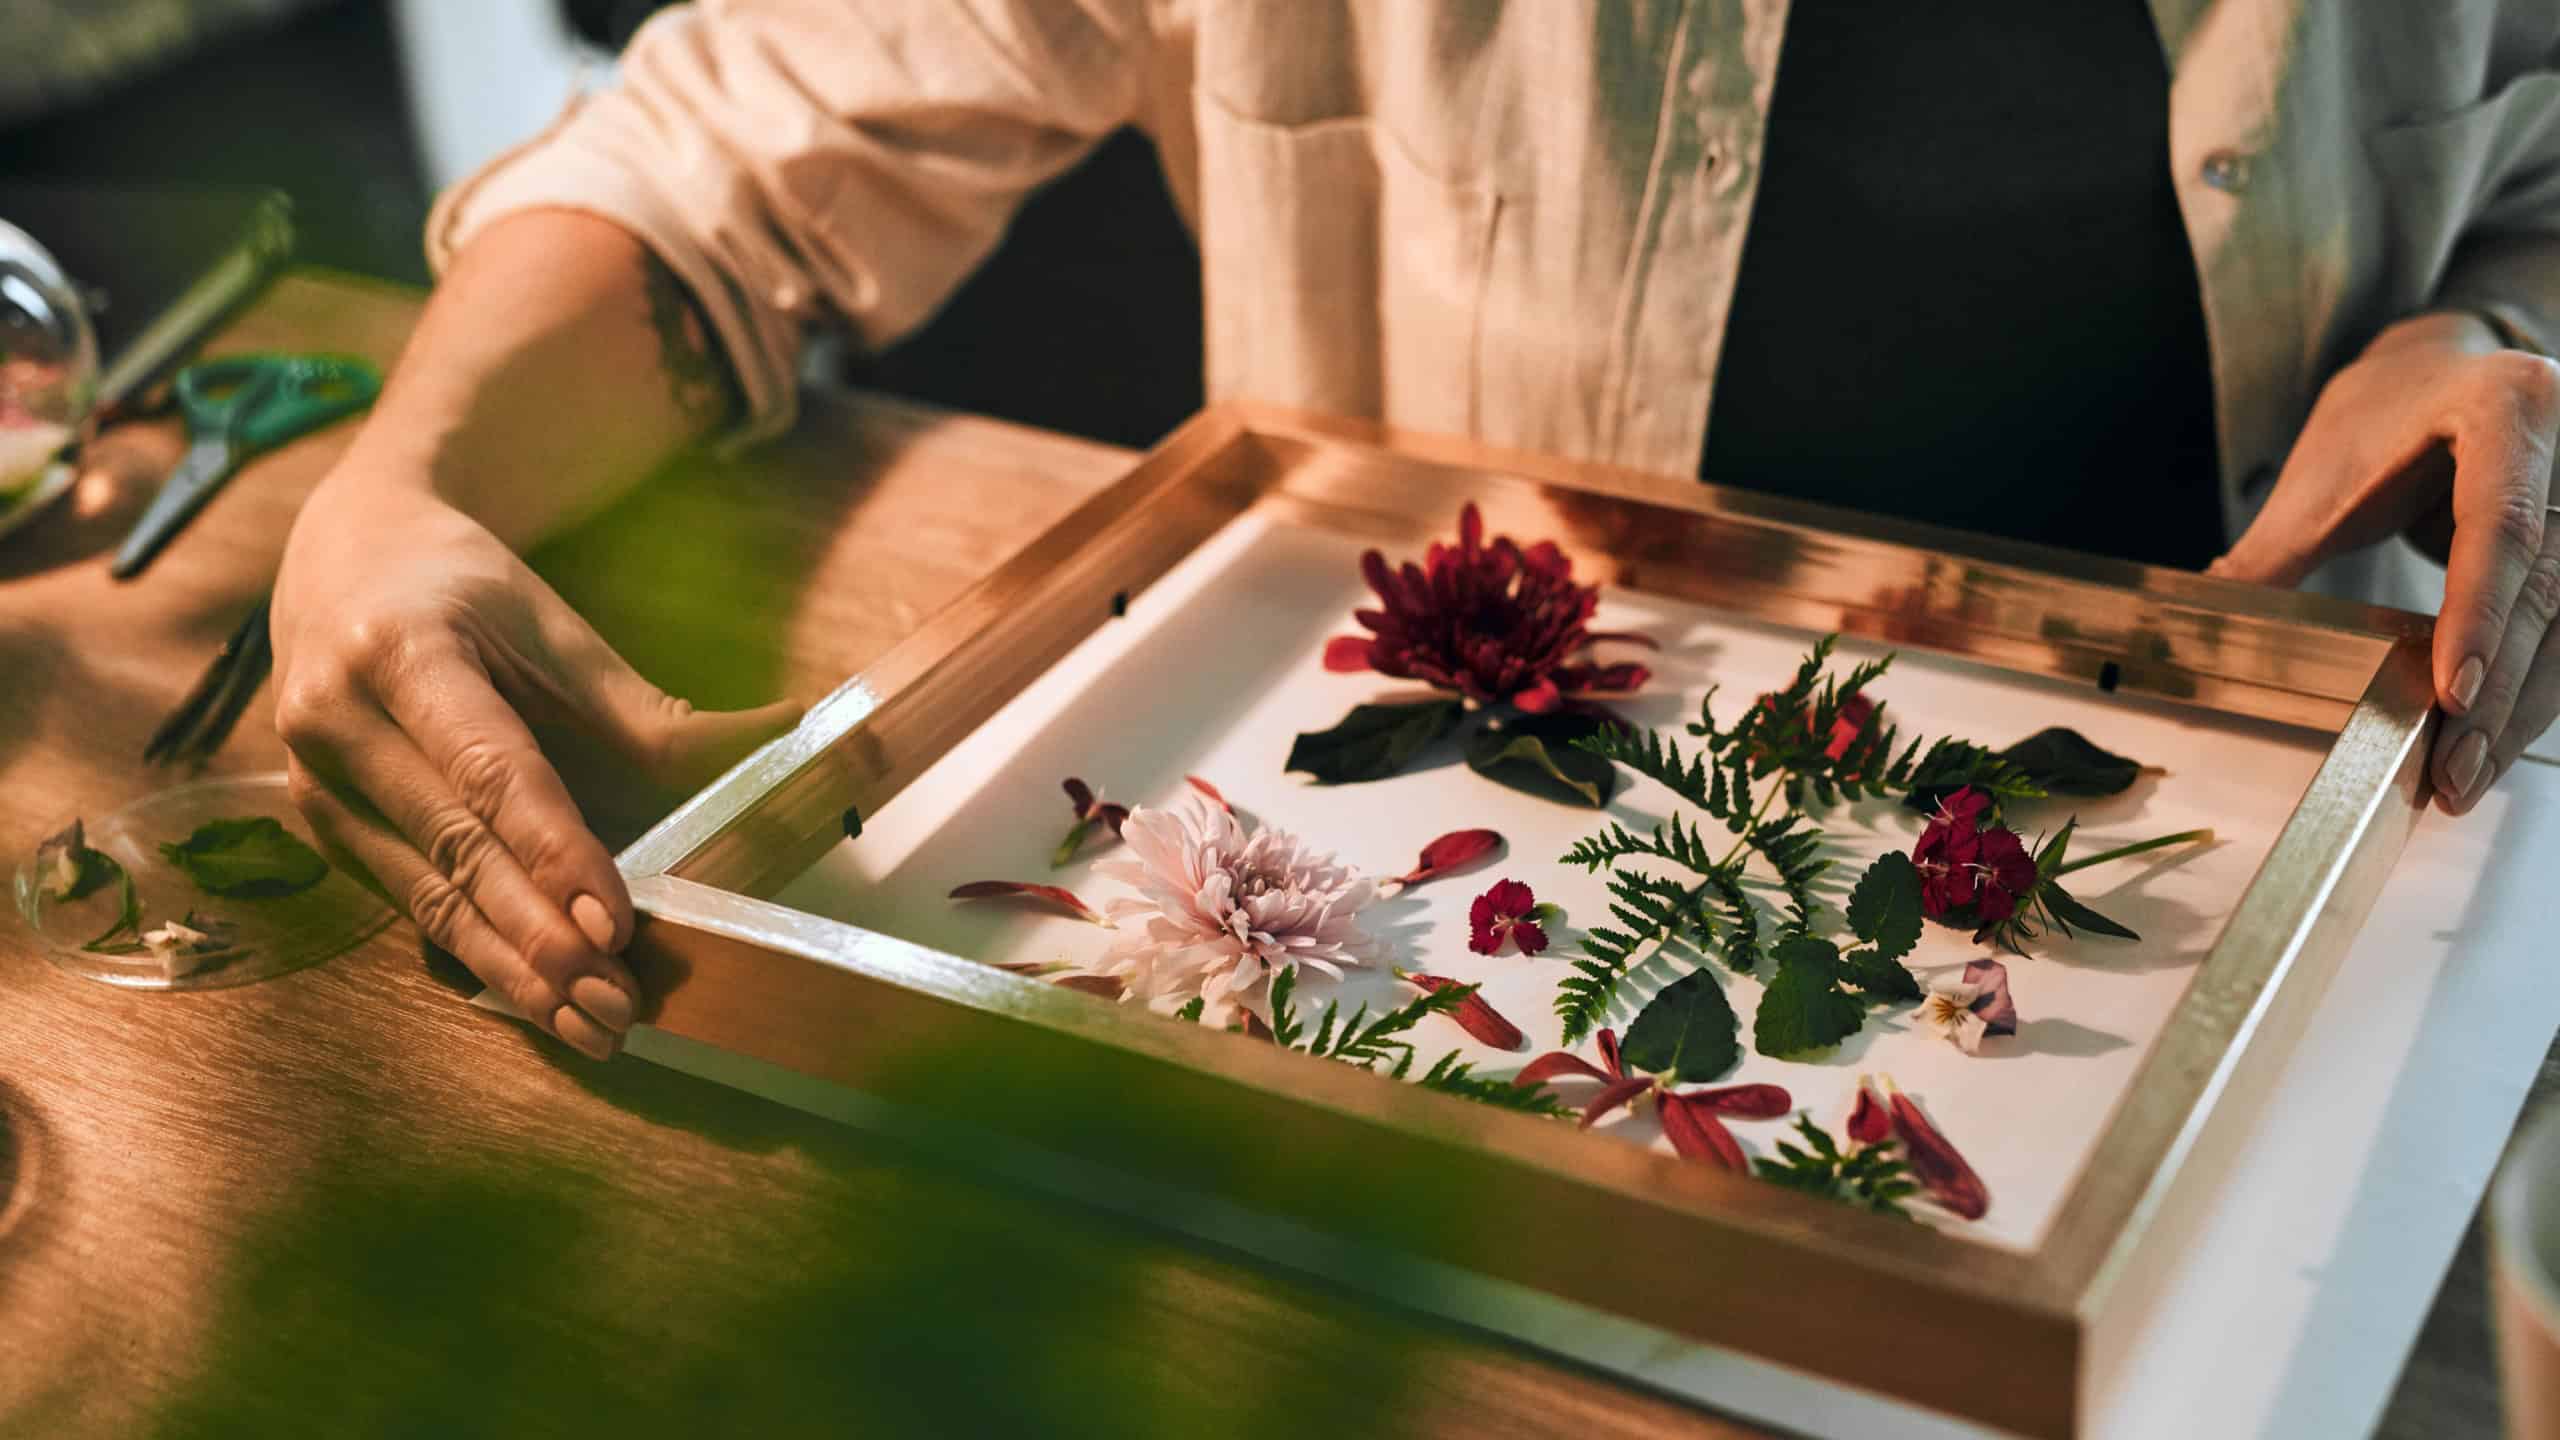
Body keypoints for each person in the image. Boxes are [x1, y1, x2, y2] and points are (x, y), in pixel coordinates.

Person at [271, 2, 2560, 1059]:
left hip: (2269, 919)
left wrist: (2494, 320)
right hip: (1413, 932)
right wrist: (402, 490)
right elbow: (714, 165)